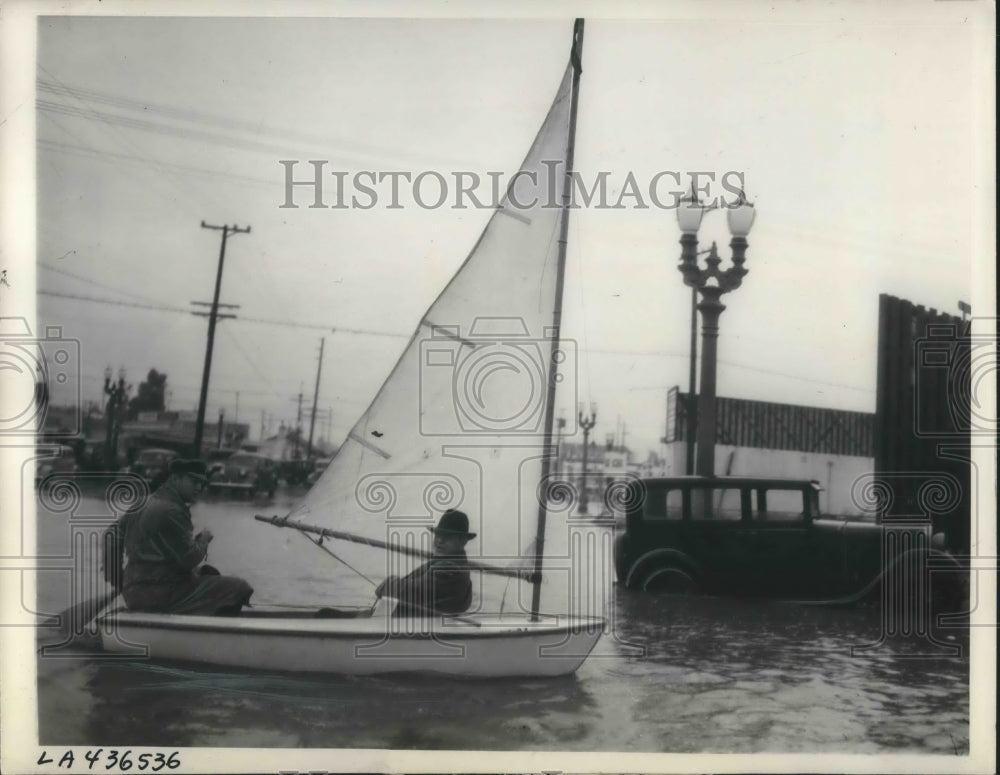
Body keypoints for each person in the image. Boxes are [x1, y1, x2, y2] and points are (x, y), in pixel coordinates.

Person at [122, 459, 253, 616]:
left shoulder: (140, 503)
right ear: (175, 479)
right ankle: (208, 631)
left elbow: (111, 540)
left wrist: (121, 583)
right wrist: (203, 540)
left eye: (202, 483)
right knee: (239, 587)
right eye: (194, 481)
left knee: (207, 572)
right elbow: (190, 559)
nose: (199, 487)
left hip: (133, 591)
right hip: (162, 594)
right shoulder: (173, 510)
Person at [375, 509, 475, 617]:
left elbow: (413, 591)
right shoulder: (443, 562)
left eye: (448, 537)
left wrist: (388, 583)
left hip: (421, 628)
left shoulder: (450, 569)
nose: (439, 541)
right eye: (438, 535)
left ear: (463, 541)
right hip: (411, 622)